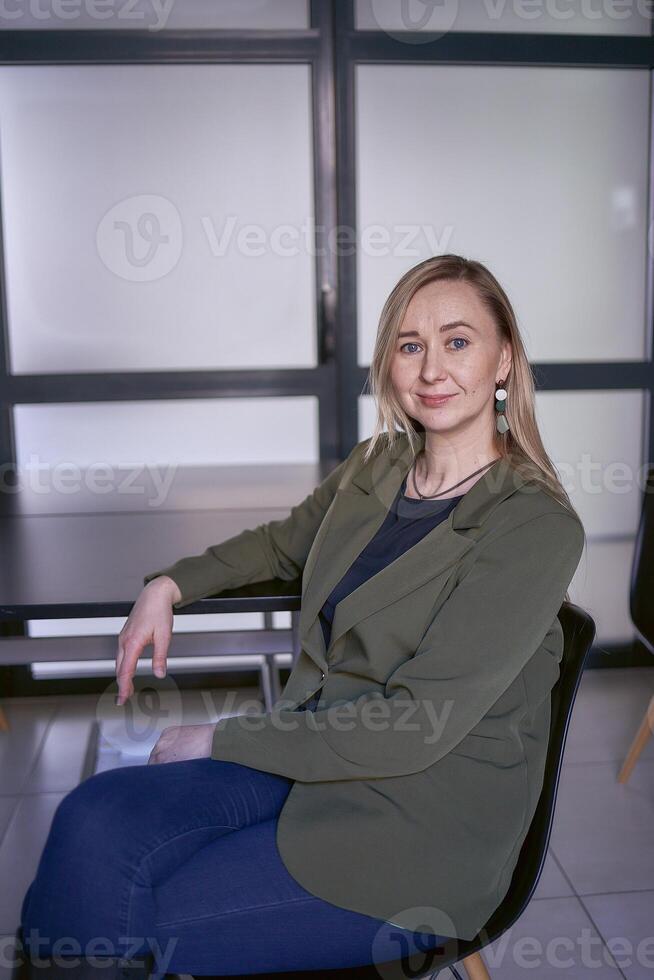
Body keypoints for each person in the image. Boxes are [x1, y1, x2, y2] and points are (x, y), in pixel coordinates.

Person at [19, 254, 586, 978]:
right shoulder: (379, 465)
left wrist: (222, 737)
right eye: (410, 346)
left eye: (457, 341)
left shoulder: (532, 526)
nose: (431, 369)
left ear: (503, 359)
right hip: (311, 755)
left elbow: (416, 725)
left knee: (109, 913)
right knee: (90, 821)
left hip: (412, 831)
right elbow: (281, 544)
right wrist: (169, 584)